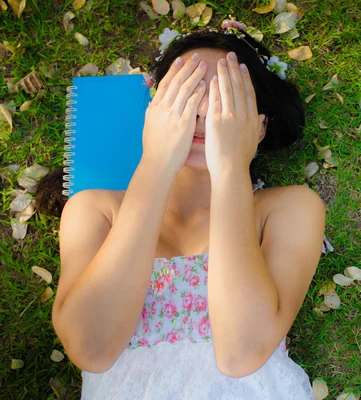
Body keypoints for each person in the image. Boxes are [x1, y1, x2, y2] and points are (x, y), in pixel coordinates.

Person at [46, 25, 328, 399]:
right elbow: (91, 349)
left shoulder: (288, 209)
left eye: (226, 100)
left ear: (259, 126)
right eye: (185, 92)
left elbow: (241, 354)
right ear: (154, 111)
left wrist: (229, 167)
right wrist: (157, 161)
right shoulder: (95, 210)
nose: (202, 112)